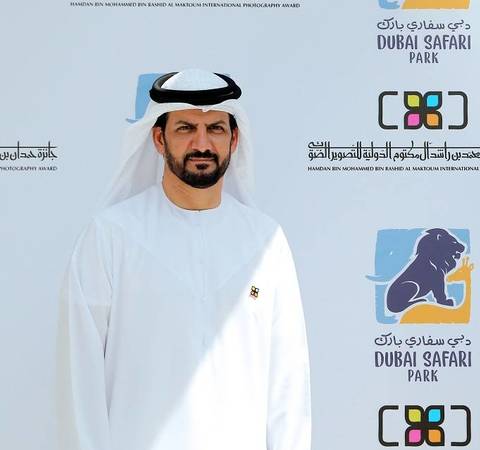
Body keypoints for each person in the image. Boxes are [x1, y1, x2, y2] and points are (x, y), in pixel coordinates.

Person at [56, 69, 311, 450]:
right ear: (159, 139)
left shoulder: (266, 242)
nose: (201, 143)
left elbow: (288, 388)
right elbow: (79, 383)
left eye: (216, 129)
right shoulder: (110, 236)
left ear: (234, 139)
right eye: (186, 128)